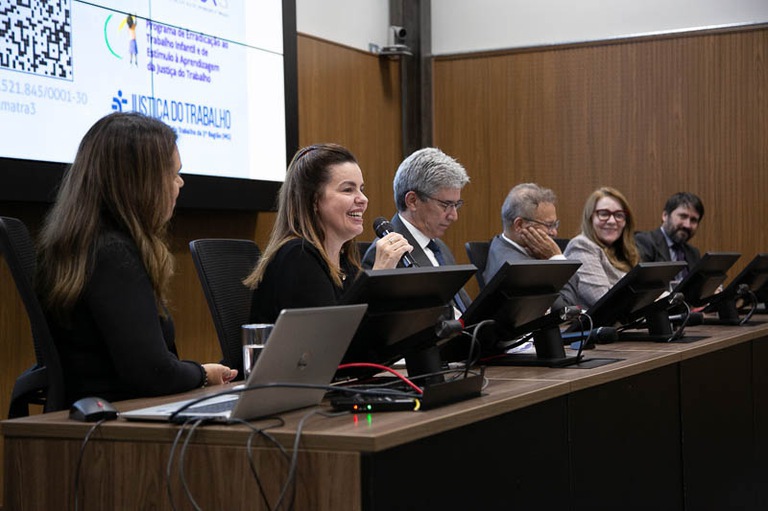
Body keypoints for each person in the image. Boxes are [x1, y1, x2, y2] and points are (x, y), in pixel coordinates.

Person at [37, 112, 236, 406]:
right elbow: (152, 373)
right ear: (140, 182)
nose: (179, 183)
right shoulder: (112, 253)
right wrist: (202, 373)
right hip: (118, 427)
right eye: (172, 174)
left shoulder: (80, 245)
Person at [246, 143, 410, 323]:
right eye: (348, 189)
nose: (363, 199)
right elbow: (333, 341)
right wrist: (378, 277)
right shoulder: (297, 256)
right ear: (314, 200)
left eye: (361, 189)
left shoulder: (345, 262)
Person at [361, 147, 471, 311]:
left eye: (456, 205)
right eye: (446, 205)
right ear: (412, 201)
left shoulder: (440, 248)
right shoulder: (388, 255)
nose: (453, 216)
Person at [483, 183, 576, 306]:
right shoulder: (517, 269)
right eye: (549, 225)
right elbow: (565, 308)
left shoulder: (502, 244)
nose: (554, 232)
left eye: (555, 224)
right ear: (519, 225)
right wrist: (557, 258)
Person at [564, 186, 640, 309]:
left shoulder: (622, 251)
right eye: (604, 214)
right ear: (590, 218)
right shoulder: (581, 245)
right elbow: (603, 299)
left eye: (619, 215)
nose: (612, 221)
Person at [635, 192, 704, 280]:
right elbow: (642, 284)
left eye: (693, 220)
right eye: (683, 216)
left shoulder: (693, 253)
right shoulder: (644, 242)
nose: (687, 225)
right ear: (665, 216)